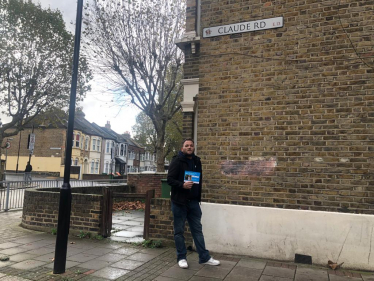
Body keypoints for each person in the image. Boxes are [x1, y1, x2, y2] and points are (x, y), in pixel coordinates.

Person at [167, 138, 220, 269]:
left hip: (194, 203)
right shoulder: (177, 161)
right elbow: (170, 179)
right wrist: (182, 185)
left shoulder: (197, 161)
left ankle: (204, 257)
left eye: (191, 145)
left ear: (194, 147)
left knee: (197, 231)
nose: (189, 147)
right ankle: (181, 257)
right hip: (179, 202)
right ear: (182, 148)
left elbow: (198, 181)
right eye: (186, 145)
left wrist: (197, 197)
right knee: (179, 231)